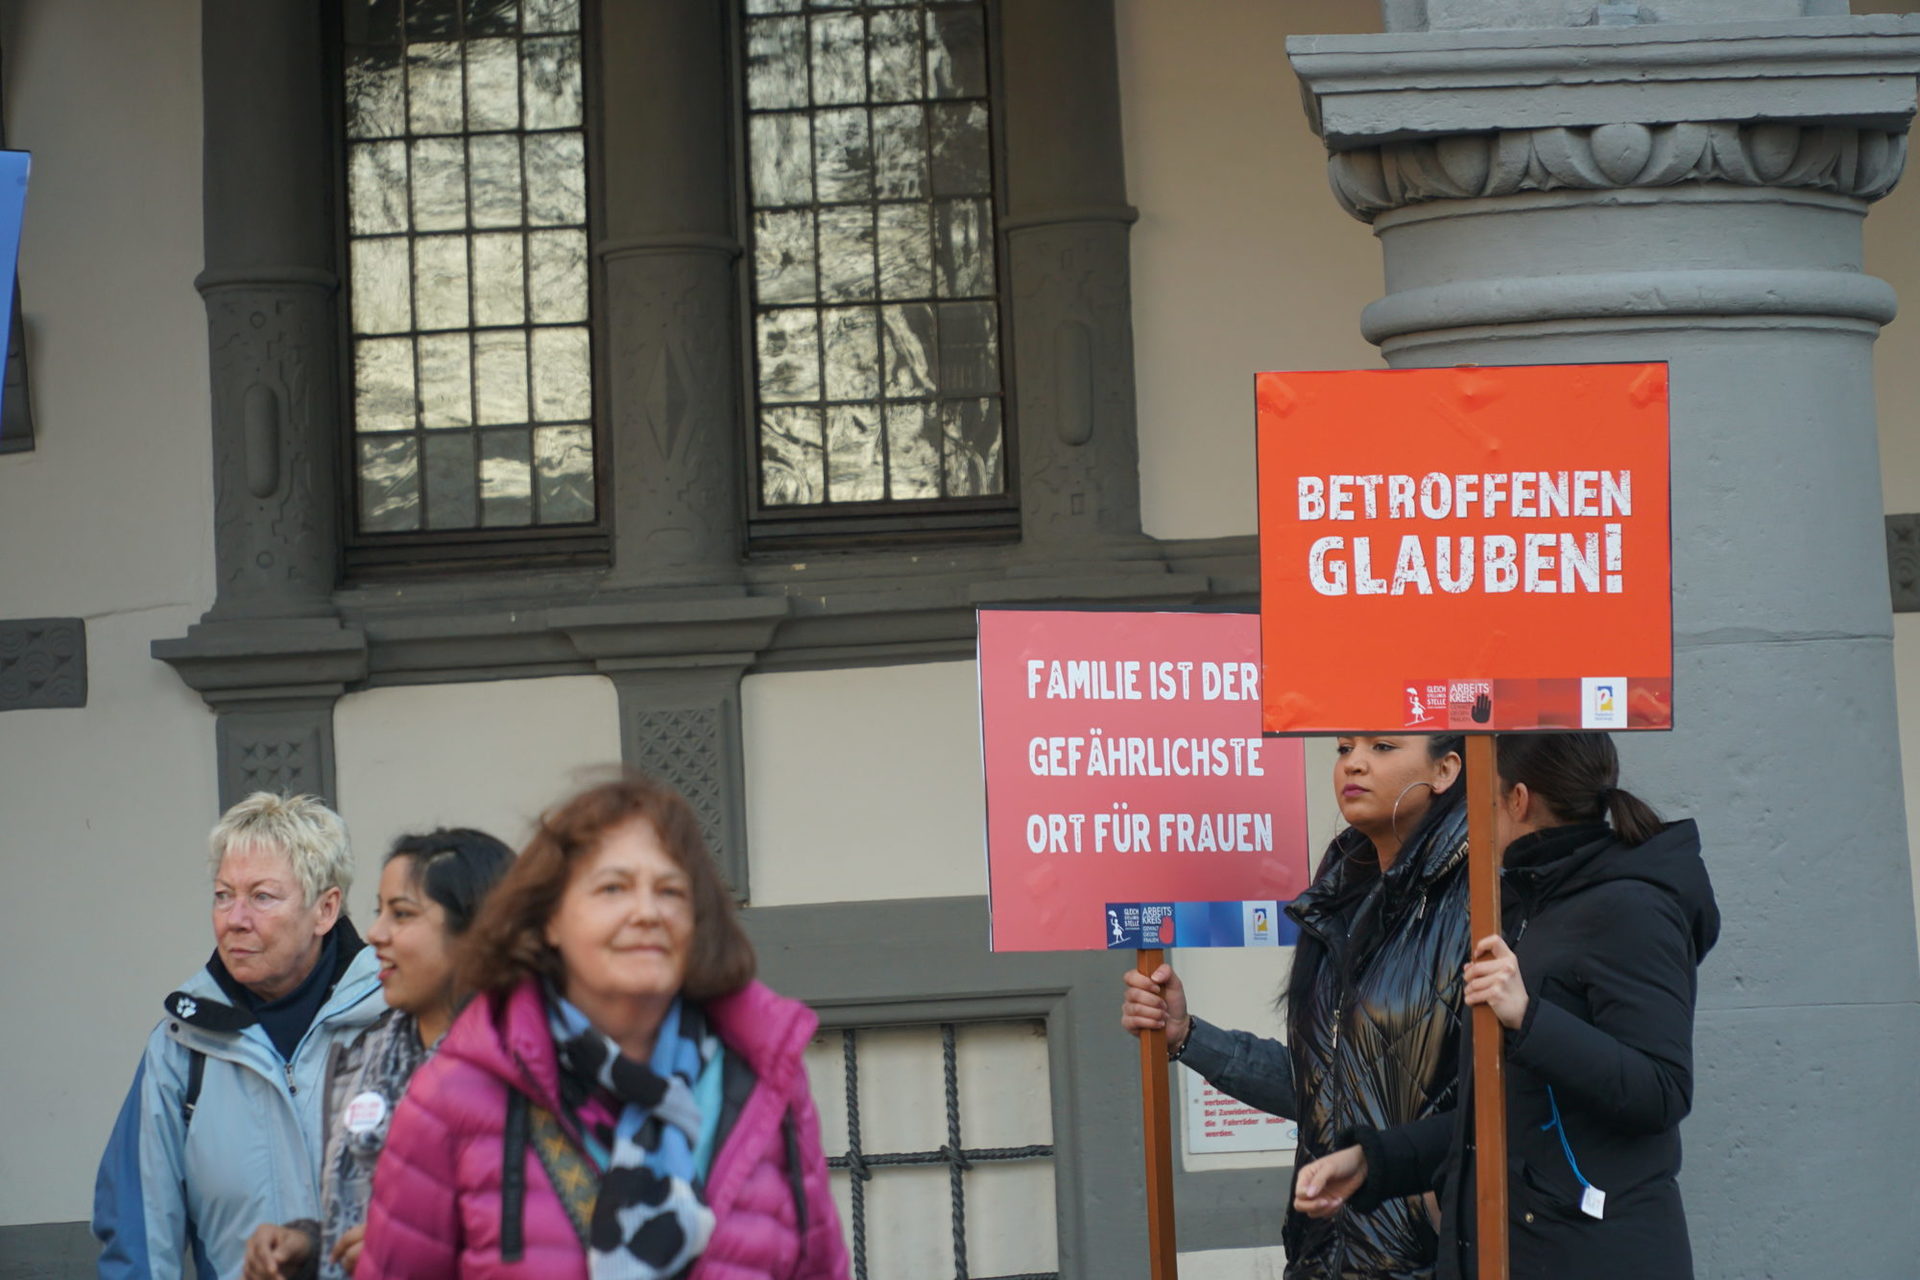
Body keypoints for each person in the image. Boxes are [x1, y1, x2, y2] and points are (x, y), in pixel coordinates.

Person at [356, 773, 849, 1280]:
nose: (648, 912)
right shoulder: (454, 1095)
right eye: (613, 888)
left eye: (670, 890)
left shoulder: (763, 1077)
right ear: (549, 920)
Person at [1293, 733, 1718, 1280]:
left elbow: (1662, 1090)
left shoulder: (1630, 906)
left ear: (1518, 801)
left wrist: (1528, 1017)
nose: (1470, 820)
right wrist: (1374, 1160)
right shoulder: (1530, 906)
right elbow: (1502, 1113)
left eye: (1481, 800)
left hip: (1588, 1256)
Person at [1122, 734, 1471, 1278]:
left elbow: (1511, 1101)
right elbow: (1329, 1088)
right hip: (1323, 1255)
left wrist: (1437, 1210)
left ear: (1446, 769)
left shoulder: (1482, 899)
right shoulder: (1337, 899)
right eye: (1344, 748)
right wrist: (1187, 1036)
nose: (1354, 764)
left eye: (1382, 746)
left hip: (1433, 1260)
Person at [94, 793, 386, 1280]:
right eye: (223, 895)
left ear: (325, 909)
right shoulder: (181, 1047)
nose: (235, 919)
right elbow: (138, 1239)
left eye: (262, 896)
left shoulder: (397, 1026)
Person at [243, 828, 517, 1280]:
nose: (375, 934)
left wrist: (408, 1251)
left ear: (476, 933)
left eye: (402, 914)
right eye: (379, 911)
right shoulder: (360, 1060)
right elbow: (361, 1226)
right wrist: (309, 1248)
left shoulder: (521, 1072)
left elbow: (544, 1239)